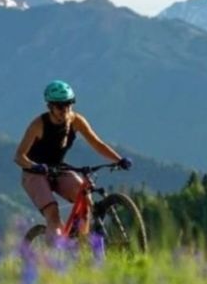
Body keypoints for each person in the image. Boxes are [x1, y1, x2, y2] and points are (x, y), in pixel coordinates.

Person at [14, 79, 132, 241]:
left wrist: (119, 160)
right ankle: (56, 256)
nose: (66, 109)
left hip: (58, 169)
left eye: (69, 104)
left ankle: (82, 245)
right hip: (34, 174)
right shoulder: (38, 125)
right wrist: (35, 166)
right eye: (60, 106)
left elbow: (97, 144)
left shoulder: (76, 120)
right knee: (53, 213)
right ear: (50, 106)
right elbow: (19, 156)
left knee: (85, 198)